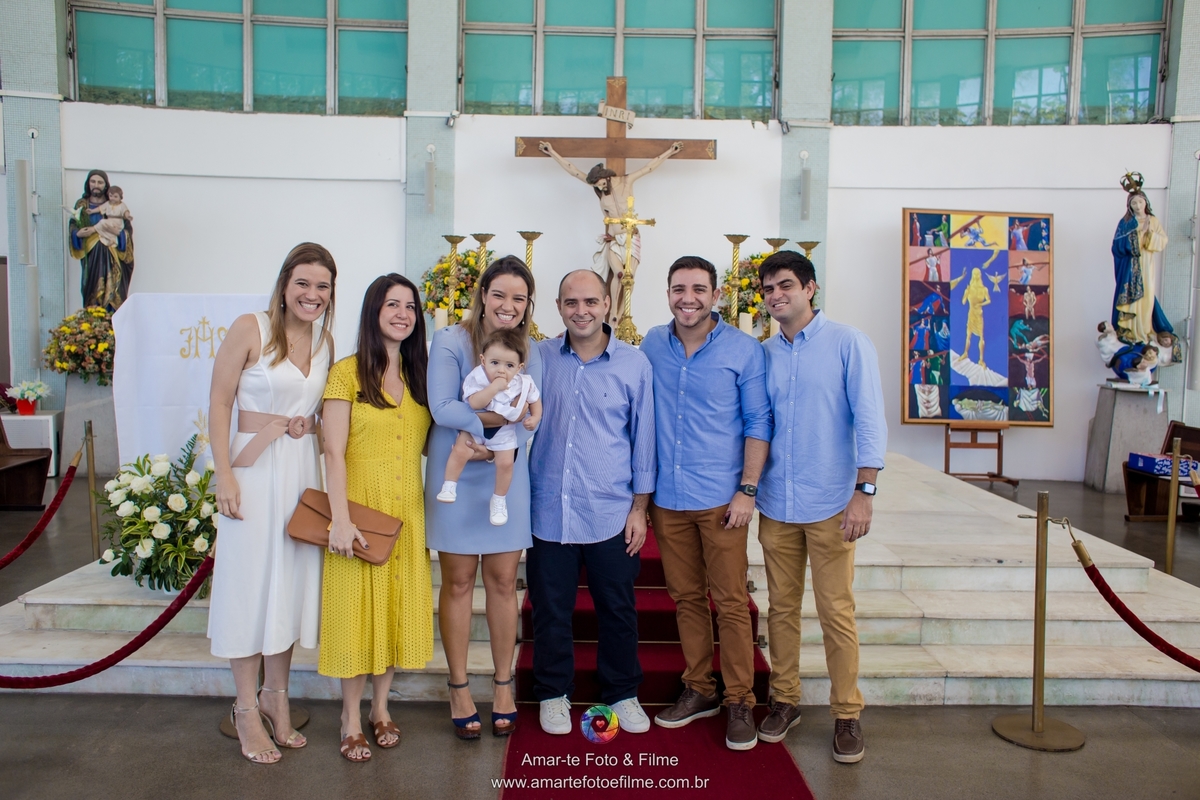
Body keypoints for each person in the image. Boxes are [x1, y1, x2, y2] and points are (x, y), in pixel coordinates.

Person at [207, 243, 337, 764]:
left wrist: (314, 423)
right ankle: (244, 708)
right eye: (303, 283)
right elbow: (218, 402)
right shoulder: (251, 328)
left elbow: (323, 410)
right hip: (253, 473)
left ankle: (276, 698)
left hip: (301, 473)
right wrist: (224, 475)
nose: (312, 294)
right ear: (285, 284)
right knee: (248, 584)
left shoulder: (326, 341)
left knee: (287, 584)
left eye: (322, 286)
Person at [754, 250, 886, 763]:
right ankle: (785, 700)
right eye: (767, 289)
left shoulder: (847, 343)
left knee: (836, 611)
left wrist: (864, 493)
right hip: (776, 502)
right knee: (782, 610)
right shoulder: (763, 352)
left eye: (785, 285)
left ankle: (847, 713)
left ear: (810, 288)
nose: (775, 296)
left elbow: (870, 418)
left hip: (832, 501)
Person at [640, 257, 770, 751]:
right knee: (686, 598)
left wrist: (747, 489)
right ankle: (700, 689)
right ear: (667, 292)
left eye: (698, 288)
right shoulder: (652, 343)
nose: (687, 297)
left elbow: (759, 422)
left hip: (722, 501)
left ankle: (740, 699)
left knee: (732, 603)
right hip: (668, 501)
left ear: (716, 295)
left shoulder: (742, 349)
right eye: (678, 288)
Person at [528, 270, 656, 736]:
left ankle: (622, 692)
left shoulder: (635, 364)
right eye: (570, 302)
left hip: (610, 511)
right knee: (551, 608)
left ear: (607, 305)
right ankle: (552, 693)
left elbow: (644, 439)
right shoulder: (539, 358)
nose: (580, 310)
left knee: (618, 609)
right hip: (548, 510)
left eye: (590, 301)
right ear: (558, 307)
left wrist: (639, 508)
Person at [426, 256, 543, 739]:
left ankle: (501, 683)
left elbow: (532, 414)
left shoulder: (531, 349)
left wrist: (501, 438)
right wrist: (485, 433)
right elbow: (443, 406)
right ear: (482, 294)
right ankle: (457, 686)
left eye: (519, 298)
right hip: (458, 465)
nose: (508, 306)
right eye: (499, 294)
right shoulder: (451, 340)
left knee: (501, 582)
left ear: (528, 304)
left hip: (503, 472)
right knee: (456, 583)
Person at [319, 274, 434, 763]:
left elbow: (432, 443)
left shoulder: (420, 377)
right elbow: (333, 450)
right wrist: (339, 519)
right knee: (355, 613)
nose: (403, 314)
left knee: (393, 611)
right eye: (392, 305)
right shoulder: (347, 372)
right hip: (359, 510)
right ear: (373, 312)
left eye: (410, 306)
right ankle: (350, 716)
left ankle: (381, 708)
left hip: (406, 514)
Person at [539, 140, 683, 325]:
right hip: (614, 240)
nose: (599, 188)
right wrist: (552, 152)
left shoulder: (626, 181)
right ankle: (613, 315)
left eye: (600, 184)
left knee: (629, 279)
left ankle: (621, 316)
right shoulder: (599, 189)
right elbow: (574, 171)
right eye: (596, 186)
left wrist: (670, 152)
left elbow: (648, 168)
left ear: (606, 177)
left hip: (631, 238)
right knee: (619, 274)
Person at [437, 329, 542, 526]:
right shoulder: (478, 377)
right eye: (495, 363)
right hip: (475, 427)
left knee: (506, 463)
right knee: (460, 449)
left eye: (509, 365)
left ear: (519, 368)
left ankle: (499, 499)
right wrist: (493, 388)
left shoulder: (524, 383)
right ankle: (449, 484)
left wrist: (535, 417)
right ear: (483, 360)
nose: (501, 370)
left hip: (504, 432)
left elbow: (535, 400)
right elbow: (474, 404)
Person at [1112, 189, 1172, 345]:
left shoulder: (1153, 220)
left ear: (1146, 202)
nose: (1138, 206)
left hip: (1146, 264)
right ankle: (1130, 332)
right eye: (1134, 203)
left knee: (1147, 296)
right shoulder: (1125, 223)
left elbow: (1163, 240)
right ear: (1129, 206)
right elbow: (1117, 245)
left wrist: (1149, 235)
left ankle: (1144, 331)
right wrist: (1135, 237)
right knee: (1131, 298)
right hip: (1130, 267)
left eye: (1140, 201)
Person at [69, 169, 134, 310]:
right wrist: (78, 234)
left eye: (100, 182)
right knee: (92, 291)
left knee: (113, 293)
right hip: (92, 259)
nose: (96, 185)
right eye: (93, 181)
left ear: (105, 185)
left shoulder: (114, 205)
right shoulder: (82, 205)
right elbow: (73, 226)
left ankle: (111, 321)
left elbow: (127, 231)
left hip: (112, 257)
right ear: (88, 184)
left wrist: (119, 235)